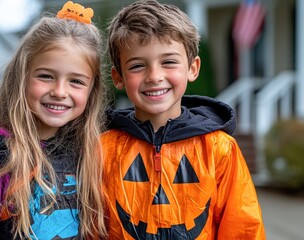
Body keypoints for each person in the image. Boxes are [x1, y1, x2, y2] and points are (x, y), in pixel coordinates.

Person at [0, 1, 108, 239]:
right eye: (46, 76)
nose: (59, 91)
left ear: (92, 91)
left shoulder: (88, 152)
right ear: (21, 78)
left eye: (76, 81)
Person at [101, 0, 266, 239]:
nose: (154, 76)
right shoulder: (103, 150)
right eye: (137, 65)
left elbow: (242, 228)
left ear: (192, 68)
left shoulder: (218, 149)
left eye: (168, 62)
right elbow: (90, 226)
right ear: (118, 77)